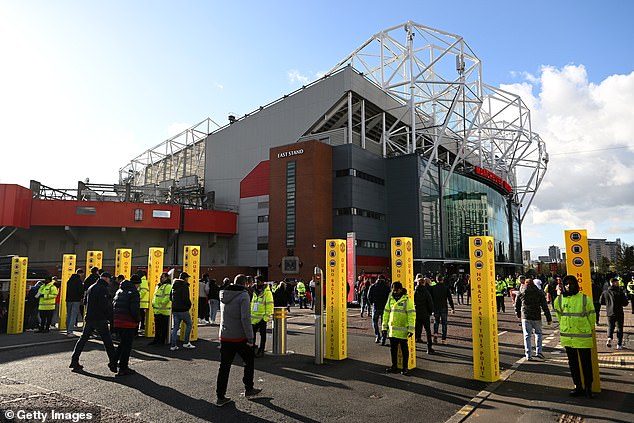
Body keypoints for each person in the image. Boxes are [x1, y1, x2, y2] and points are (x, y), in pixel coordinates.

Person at [215, 274, 262, 407]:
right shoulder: (243, 295)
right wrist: (250, 337)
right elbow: (245, 318)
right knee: (249, 360)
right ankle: (249, 388)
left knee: (224, 367)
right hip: (239, 336)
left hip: (225, 335)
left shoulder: (223, 293)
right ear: (245, 284)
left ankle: (220, 396)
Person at [553, 275, 595, 398]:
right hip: (568, 338)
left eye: (571, 283)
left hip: (582, 338)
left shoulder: (584, 299)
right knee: (573, 364)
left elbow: (592, 318)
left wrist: (586, 328)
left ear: (576, 285)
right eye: (566, 284)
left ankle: (588, 387)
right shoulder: (559, 300)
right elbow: (560, 317)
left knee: (586, 364)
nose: (568, 286)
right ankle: (578, 386)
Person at [69, 272, 117, 372]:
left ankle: (74, 360)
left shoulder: (91, 287)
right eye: (109, 279)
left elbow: (85, 302)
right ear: (106, 279)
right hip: (100, 318)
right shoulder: (103, 289)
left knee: (82, 340)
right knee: (108, 341)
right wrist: (109, 317)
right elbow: (104, 305)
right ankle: (113, 362)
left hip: (90, 317)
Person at [515, 277, 552, 360]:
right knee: (538, 333)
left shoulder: (521, 291)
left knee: (527, 335)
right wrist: (548, 318)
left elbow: (517, 305)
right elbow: (544, 306)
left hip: (526, 316)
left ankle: (528, 354)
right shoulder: (538, 292)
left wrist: (518, 314)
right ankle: (539, 352)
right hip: (536, 316)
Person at [382, 282, 415, 375]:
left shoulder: (407, 300)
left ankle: (405, 368)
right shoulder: (390, 299)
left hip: (403, 330)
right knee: (393, 349)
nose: (395, 291)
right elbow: (386, 313)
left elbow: (411, 315)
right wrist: (384, 327)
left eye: (397, 290)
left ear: (401, 289)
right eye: (393, 290)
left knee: (404, 350)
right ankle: (394, 366)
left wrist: (411, 329)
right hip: (392, 330)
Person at [112, 277, 141, 376]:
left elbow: (114, 305)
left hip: (118, 320)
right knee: (127, 346)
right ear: (136, 284)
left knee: (123, 343)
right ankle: (123, 367)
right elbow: (134, 309)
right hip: (128, 322)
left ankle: (114, 362)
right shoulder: (134, 293)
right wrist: (138, 319)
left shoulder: (119, 291)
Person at [599, 277, 629, 350]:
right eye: (617, 282)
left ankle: (609, 337)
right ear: (614, 283)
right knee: (619, 328)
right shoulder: (619, 292)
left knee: (610, 326)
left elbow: (601, 301)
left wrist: (608, 304)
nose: (618, 283)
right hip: (619, 312)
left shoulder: (605, 292)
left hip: (609, 312)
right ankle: (619, 344)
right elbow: (625, 303)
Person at [170, 272, 196, 351]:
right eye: (187, 278)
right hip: (183, 309)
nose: (188, 279)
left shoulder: (174, 285)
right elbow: (186, 298)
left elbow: (170, 297)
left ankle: (173, 345)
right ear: (185, 278)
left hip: (175, 309)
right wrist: (189, 305)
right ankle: (186, 342)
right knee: (189, 324)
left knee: (175, 328)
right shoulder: (184, 286)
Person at [251, 276, 274, 357]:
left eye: (257, 281)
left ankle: (261, 350)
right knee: (252, 336)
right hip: (253, 319)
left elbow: (270, 306)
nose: (256, 283)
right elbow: (252, 304)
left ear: (262, 282)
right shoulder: (254, 291)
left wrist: (265, 318)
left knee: (262, 336)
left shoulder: (267, 292)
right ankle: (252, 350)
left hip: (262, 319)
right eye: (255, 281)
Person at [149, 272, 172, 346]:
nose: (160, 278)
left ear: (166, 278)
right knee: (158, 328)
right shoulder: (159, 286)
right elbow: (155, 296)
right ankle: (156, 340)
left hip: (164, 310)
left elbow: (167, 297)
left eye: (162, 277)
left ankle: (161, 341)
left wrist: (161, 305)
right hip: (157, 310)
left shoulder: (168, 286)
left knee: (163, 328)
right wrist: (153, 303)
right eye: (160, 277)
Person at [431, 275, 455, 344]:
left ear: (436, 280)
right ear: (442, 280)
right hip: (444, 307)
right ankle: (443, 339)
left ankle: (435, 334)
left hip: (436, 307)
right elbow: (450, 299)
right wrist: (452, 308)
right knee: (444, 323)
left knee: (436, 322)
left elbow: (431, 299)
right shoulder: (446, 288)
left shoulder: (433, 288)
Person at [414, 275, 435, 354]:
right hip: (425, 314)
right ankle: (429, 347)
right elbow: (430, 303)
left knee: (416, 330)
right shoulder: (426, 292)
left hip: (417, 313)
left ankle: (414, 345)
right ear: (424, 283)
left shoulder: (415, 292)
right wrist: (430, 312)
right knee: (428, 331)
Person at [367, 275, 390, 345]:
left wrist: (372, 303)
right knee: (384, 323)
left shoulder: (373, 286)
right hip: (384, 307)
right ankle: (384, 338)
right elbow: (389, 297)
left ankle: (377, 336)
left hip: (375, 306)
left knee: (375, 322)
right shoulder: (387, 287)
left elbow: (368, 296)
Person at [65, 269, 85, 336]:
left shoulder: (69, 281)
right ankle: (70, 332)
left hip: (68, 299)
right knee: (73, 316)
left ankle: (67, 330)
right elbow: (81, 290)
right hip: (76, 300)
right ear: (80, 274)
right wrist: (81, 296)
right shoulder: (78, 281)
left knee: (69, 315)